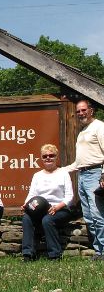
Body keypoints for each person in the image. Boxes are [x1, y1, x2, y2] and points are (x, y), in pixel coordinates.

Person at [65, 99, 104, 261]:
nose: (81, 113)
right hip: (82, 174)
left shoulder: (99, 126)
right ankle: (98, 251)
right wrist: (59, 171)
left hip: (95, 173)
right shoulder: (82, 131)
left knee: (98, 215)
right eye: (79, 111)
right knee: (88, 216)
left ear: (91, 110)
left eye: (84, 110)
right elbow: (79, 161)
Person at [22, 144, 73, 261]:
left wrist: (57, 207)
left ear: (56, 157)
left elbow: (69, 196)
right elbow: (32, 194)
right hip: (40, 208)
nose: (48, 158)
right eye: (45, 156)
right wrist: (26, 204)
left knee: (47, 220)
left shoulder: (63, 173)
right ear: (41, 158)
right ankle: (28, 253)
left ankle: (55, 254)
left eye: (51, 155)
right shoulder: (37, 175)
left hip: (60, 209)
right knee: (26, 218)